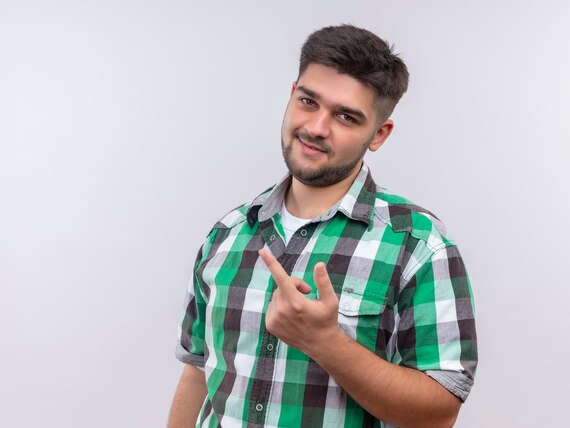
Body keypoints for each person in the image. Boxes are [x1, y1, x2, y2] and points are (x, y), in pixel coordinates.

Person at [168, 24, 478, 428]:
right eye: (308, 101)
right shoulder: (227, 233)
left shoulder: (419, 244)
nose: (316, 127)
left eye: (346, 117)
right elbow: (197, 372)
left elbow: (438, 413)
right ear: (292, 93)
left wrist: (325, 342)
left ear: (378, 134)